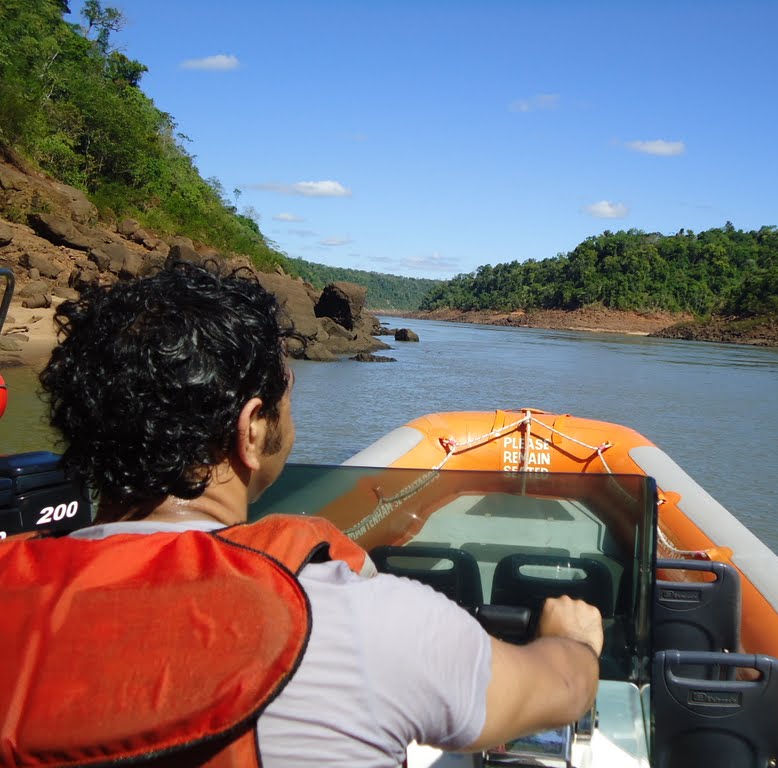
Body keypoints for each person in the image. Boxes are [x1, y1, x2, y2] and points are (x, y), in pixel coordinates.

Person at [2, 261, 603, 767]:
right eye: (289, 399)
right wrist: (571, 641)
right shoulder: (369, 625)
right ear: (253, 428)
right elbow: (563, 689)